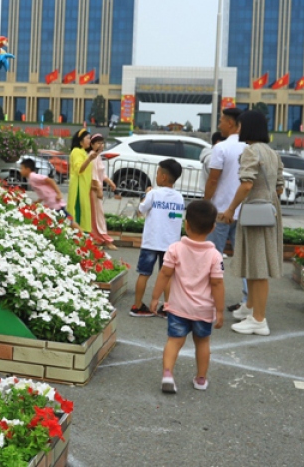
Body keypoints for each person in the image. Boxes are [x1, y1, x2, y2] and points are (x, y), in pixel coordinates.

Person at [216, 110, 283, 336]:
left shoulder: (251, 151)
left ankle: (258, 319)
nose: (239, 129)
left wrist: (230, 209)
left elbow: (246, 184)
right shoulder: (272, 152)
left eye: (242, 126)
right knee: (256, 265)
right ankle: (251, 309)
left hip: (254, 210)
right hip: (268, 210)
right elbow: (279, 187)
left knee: (258, 267)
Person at [150, 199, 224, 393]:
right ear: (213, 227)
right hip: (204, 309)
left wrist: (155, 297)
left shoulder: (175, 249)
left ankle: (167, 374)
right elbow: (217, 283)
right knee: (203, 342)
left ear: (186, 224)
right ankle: (200, 379)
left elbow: (165, 274)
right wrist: (220, 309)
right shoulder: (215, 256)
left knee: (174, 341)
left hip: (178, 307)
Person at [129, 159, 186, 317]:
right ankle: (167, 307)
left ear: (163, 177)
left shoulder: (153, 193)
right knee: (167, 275)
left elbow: (141, 209)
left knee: (144, 273)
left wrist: (146, 195)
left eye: (158, 173)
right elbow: (175, 217)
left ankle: (137, 305)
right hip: (170, 243)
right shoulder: (179, 197)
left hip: (151, 242)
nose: (156, 175)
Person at [203, 108, 246, 309]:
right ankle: (248, 300)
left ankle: (210, 297)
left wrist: (205, 201)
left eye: (221, 121)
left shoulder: (221, 148)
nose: (219, 125)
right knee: (244, 258)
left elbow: (213, 179)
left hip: (220, 210)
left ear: (230, 123)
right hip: (243, 211)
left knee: (214, 255)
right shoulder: (250, 147)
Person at [84, 134, 118, 247]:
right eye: (98, 143)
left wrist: (110, 182)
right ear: (92, 145)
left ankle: (98, 238)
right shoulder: (92, 156)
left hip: (97, 189)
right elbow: (93, 176)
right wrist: (98, 190)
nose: (101, 145)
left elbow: (101, 173)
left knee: (97, 215)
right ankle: (105, 240)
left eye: (102, 143)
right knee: (98, 216)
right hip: (94, 190)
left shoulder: (97, 156)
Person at [66, 129, 94, 232]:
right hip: (78, 188)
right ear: (80, 140)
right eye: (88, 138)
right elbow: (79, 169)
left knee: (84, 211)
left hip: (84, 187)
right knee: (79, 212)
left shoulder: (83, 152)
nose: (89, 141)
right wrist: (89, 159)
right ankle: (78, 235)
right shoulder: (76, 152)